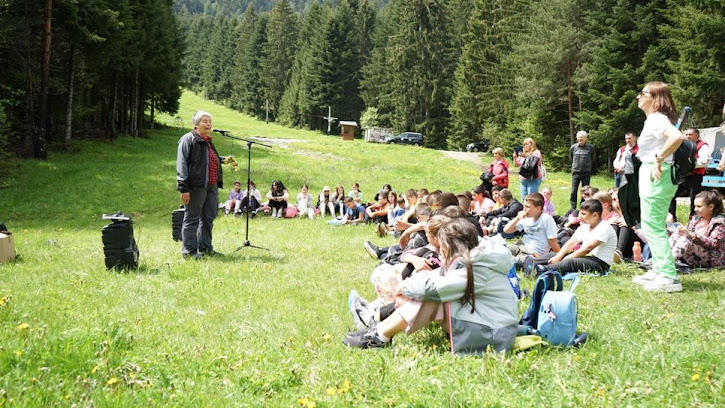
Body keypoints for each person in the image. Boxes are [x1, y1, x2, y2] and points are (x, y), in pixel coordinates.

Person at [344, 218, 518, 354]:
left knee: (430, 296)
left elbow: (433, 287)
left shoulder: (478, 268)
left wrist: (403, 288)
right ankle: (379, 332)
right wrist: (406, 286)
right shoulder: (475, 258)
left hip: (493, 336)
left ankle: (379, 334)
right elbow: (436, 277)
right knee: (428, 292)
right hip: (487, 325)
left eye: (441, 247)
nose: (440, 252)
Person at [631, 81, 685, 292]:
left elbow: (677, 136)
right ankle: (659, 269)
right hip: (653, 171)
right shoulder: (653, 120)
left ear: (655, 99)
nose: (638, 97)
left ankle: (669, 276)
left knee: (653, 225)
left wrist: (660, 158)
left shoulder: (656, 119)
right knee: (650, 223)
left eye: (642, 93)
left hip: (657, 173)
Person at [176, 110, 223, 259]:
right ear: (196, 124)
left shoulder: (208, 141)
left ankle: (205, 247)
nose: (208, 124)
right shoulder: (188, 139)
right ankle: (189, 252)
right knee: (192, 218)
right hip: (196, 186)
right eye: (205, 121)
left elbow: (206, 161)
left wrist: (221, 160)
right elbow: (182, 164)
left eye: (210, 121)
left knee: (208, 217)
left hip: (212, 185)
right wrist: (184, 188)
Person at [535, 199, 617, 276]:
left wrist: (565, 259)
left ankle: (542, 270)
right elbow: (571, 242)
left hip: (600, 263)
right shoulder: (584, 226)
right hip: (586, 257)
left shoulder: (605, 228)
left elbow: (587, 249)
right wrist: (559, 256)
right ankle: (530, 263)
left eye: (583, 214)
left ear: (594, 215)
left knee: (570, 262)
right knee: (555, 255)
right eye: (580, 213)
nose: (580, 217)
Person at [668, 190, 725, 269]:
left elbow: (713, 243)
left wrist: (691, 234)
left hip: (711, 257)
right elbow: (684, 234)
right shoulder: (696, 218)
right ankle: (660, 260)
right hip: (694, 253)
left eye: (699, 206)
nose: (695, 209)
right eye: (695, 206)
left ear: (711, 207)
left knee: (685, 238)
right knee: (676, 235)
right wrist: (671, 226)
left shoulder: (720, 222)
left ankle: (667, 263)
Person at [503, 192, 560, 269]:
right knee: (501, 250)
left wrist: (559, 256)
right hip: (522, 248)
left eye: (527, 207)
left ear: (538, 209)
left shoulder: (546, 219)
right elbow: (506, 230)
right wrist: (517, 218)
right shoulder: (526, 218)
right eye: (524, 206)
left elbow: (552, 241)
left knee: (510, 261)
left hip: (534, 254)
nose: (524, 209)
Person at [668, 128, 711, 221]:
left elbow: (705, 161)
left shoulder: (702, 146)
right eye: (686, 134)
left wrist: (689, 165)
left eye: (690, 134)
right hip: (682, 175)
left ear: (697, 135)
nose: (687, 136)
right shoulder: (681, 145)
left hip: (695, 175)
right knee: (673, 194)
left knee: (694, 197)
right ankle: (671, 216)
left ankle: (694, 218)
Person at [569, 130, 597, 210]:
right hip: (576, 172)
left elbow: (593, 159)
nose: (580, 140)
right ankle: (573, 208)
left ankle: (583, 205)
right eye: (578, 138)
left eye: (581, 138)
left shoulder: (590, 147)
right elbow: (571, 158)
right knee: (573, 191)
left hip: (586, 173)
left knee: (585, 191)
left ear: (585, 138)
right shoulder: (573, 147)